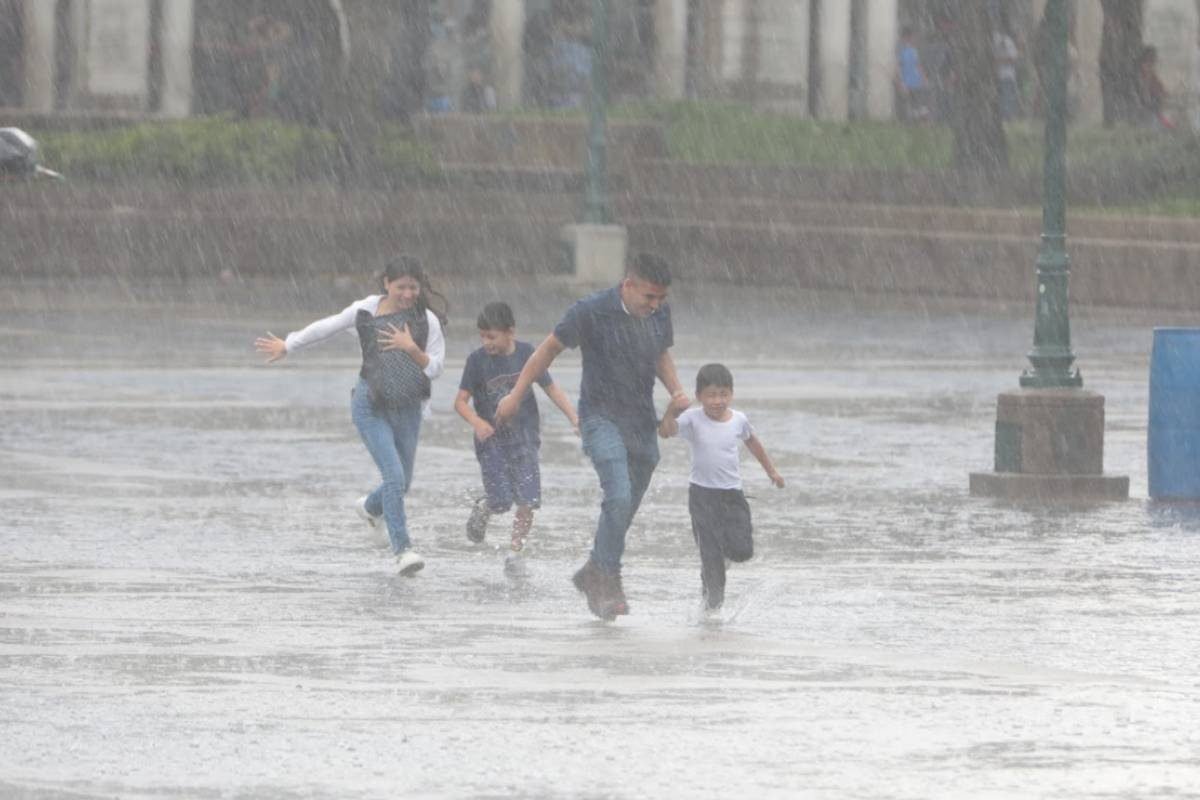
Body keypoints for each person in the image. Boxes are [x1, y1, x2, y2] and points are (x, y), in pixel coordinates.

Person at [494, 253, 690, 620]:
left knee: (627, 502)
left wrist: (676, 391)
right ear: (627, 285)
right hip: (599, 418)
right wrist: (516, 394)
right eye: (649, 297)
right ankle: (605, 578)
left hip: (641, 420)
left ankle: (594, 570)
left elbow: (661, 353)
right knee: (617, 494)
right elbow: (546, 352)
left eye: (661, 299)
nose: (656, 305)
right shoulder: (590, 311)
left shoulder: (659, 314)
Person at [254, 257, 448, 576]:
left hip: (409, 408)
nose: (408, 293)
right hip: (370, 406)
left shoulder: (426, 320)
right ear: (387, 283)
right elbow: (325, 327)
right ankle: (403, 551)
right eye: (401, 287)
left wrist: (412, 348)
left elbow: (436, 368)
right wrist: (289, 344)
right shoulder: (366, 310)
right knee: (394, 479)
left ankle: (371, 508)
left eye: (414, 287)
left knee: (403, 483)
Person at [455, 302, 578, 566]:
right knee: (502, 501)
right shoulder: (476, 361)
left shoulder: (527, 355)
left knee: (528, 498)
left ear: (510, 332)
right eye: (482, 336)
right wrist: (477, 422)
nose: (486, 342)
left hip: (525, 437)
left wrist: (574, 418)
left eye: (492, 336)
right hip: (491, 440)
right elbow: (460, 402)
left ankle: (515, 550)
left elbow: (552, 389)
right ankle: (486, 506)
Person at [658, 364, 784, 612]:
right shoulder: (692, 419)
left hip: (732, 494)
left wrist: (772, 471)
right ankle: (711, 614)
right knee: (710, 558)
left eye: (724, 394)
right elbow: (665, 432)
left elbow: (752, 442)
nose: (718, 401)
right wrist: (671, 411)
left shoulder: (739, 419)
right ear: (699, 396)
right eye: (711, 395)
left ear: (732, 394)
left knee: (743, 550)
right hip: (702, 495)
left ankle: (720, 560)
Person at [895, 26, 929, 122]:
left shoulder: (914, 50)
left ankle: (918, 119)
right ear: (906, 37)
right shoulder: (901, 51)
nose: (913, 39)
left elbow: (918, 65)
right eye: (911, 37)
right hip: (907, 82)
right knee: (908, 103)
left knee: (918, 102)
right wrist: (900, 81)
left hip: (916, 81)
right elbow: (898, 67)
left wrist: (924, 77)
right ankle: (910, 120)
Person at [993, 28, 1021, 121]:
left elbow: (1013, 58)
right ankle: (1002, 117)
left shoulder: (1006, 41)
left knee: (1007, 97)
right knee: (1000, 98)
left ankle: (1008, 117)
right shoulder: (990, 39)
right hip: (996, 76)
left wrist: (997, 61)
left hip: (1007, 75)